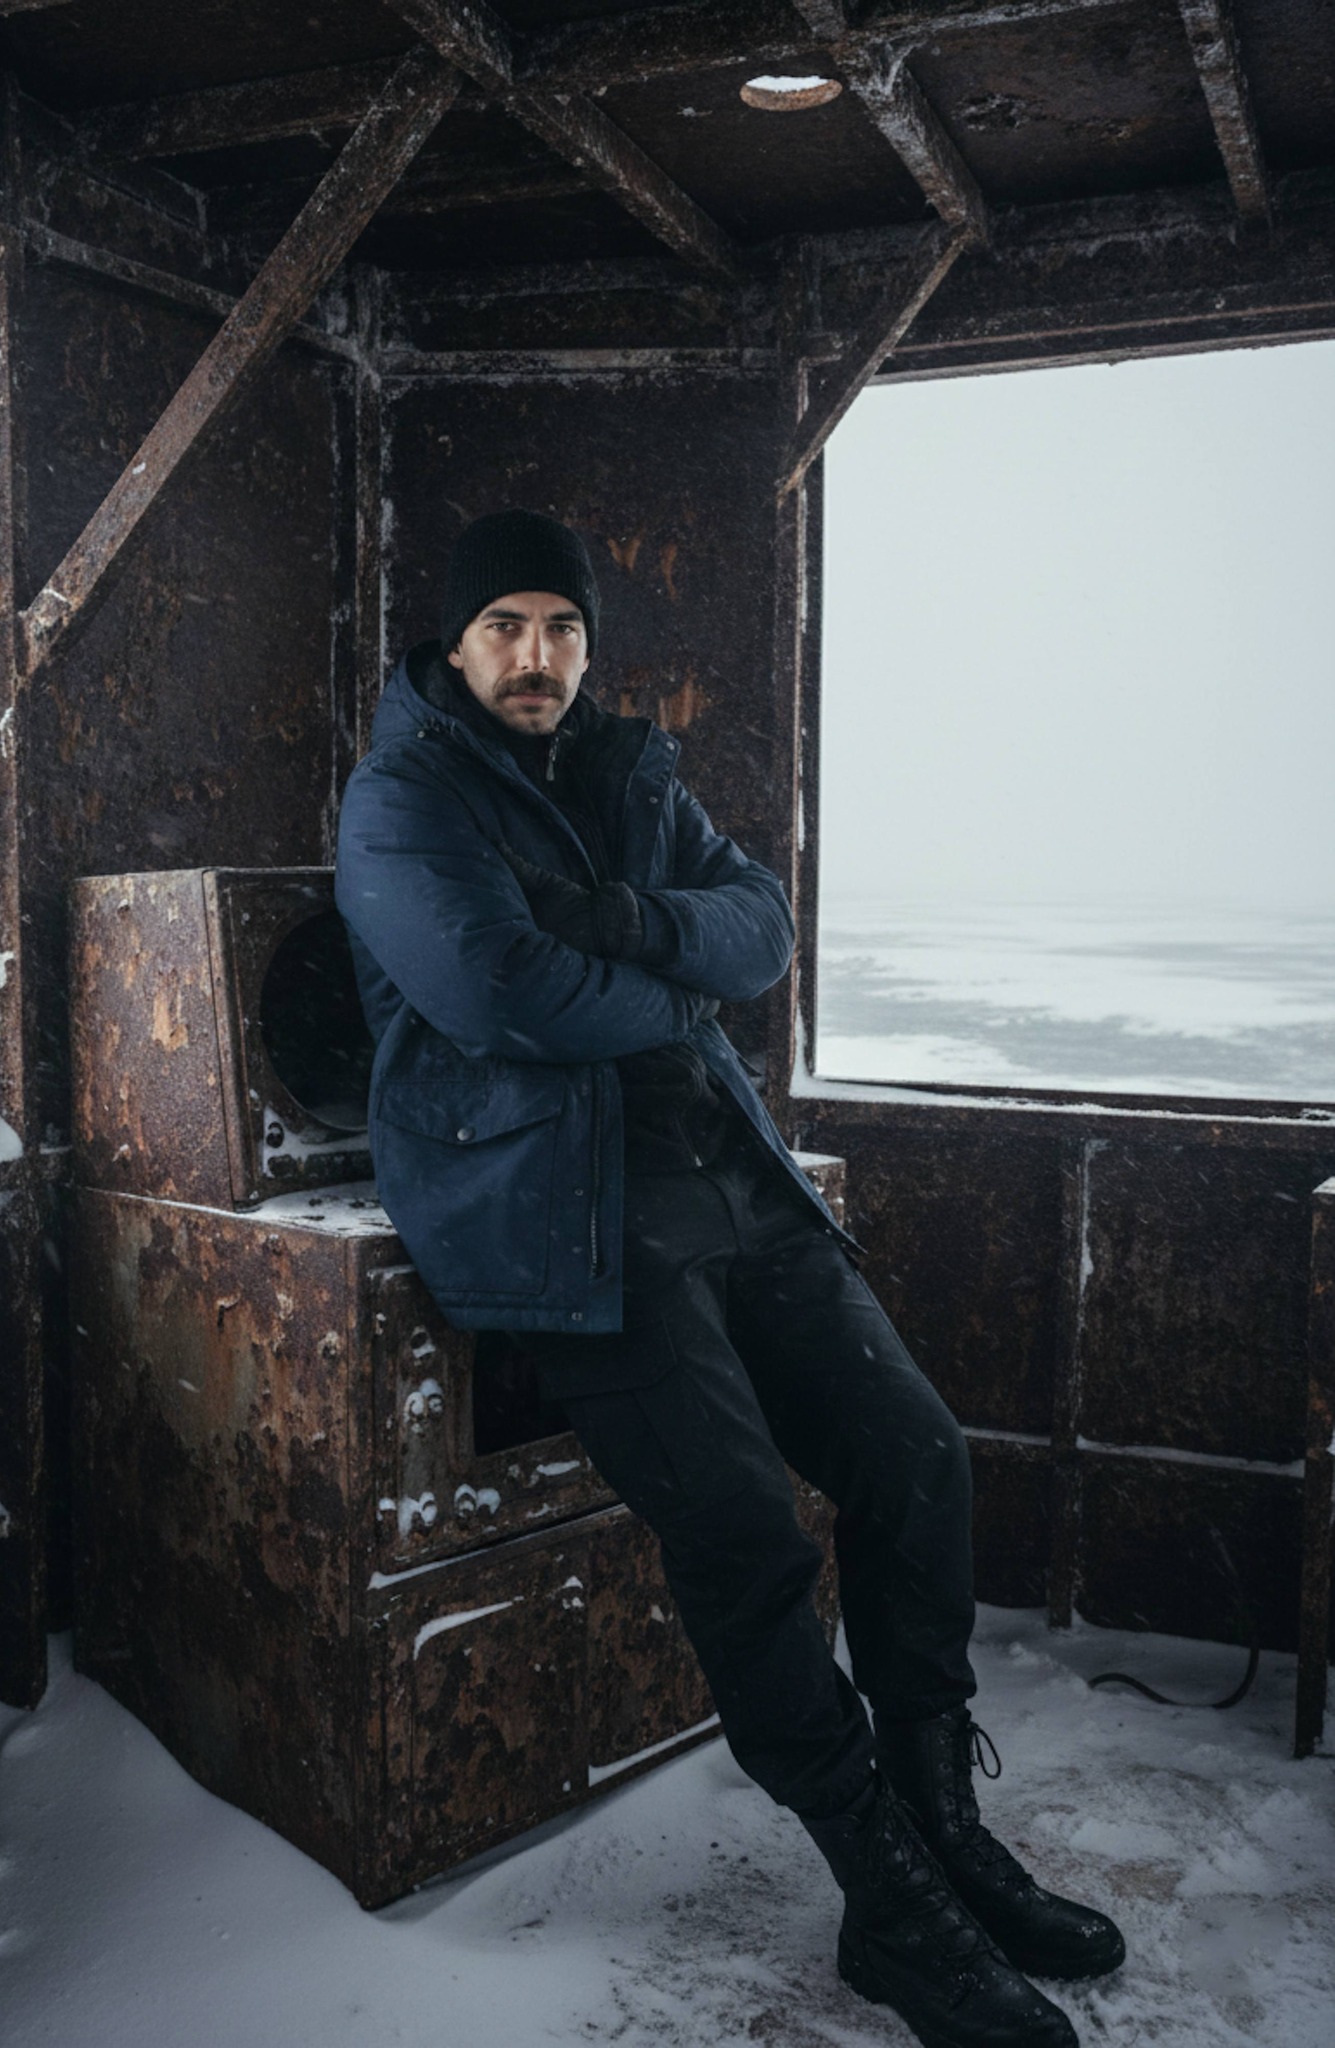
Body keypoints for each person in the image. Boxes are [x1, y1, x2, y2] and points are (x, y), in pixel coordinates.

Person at [336, 509, 1124, 2048]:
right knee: (753, 1549)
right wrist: (667, 991)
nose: (538, 657)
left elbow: (756, 934)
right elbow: (499, 990)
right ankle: (890, 1901)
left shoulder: (631, 772)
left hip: (724, 1176)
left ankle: (943, 1825)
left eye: (562, 627)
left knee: (918, 1462)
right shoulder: (401, 797)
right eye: (505, 624)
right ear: (451, 641)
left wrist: (628, 927)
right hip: (562, 1210)